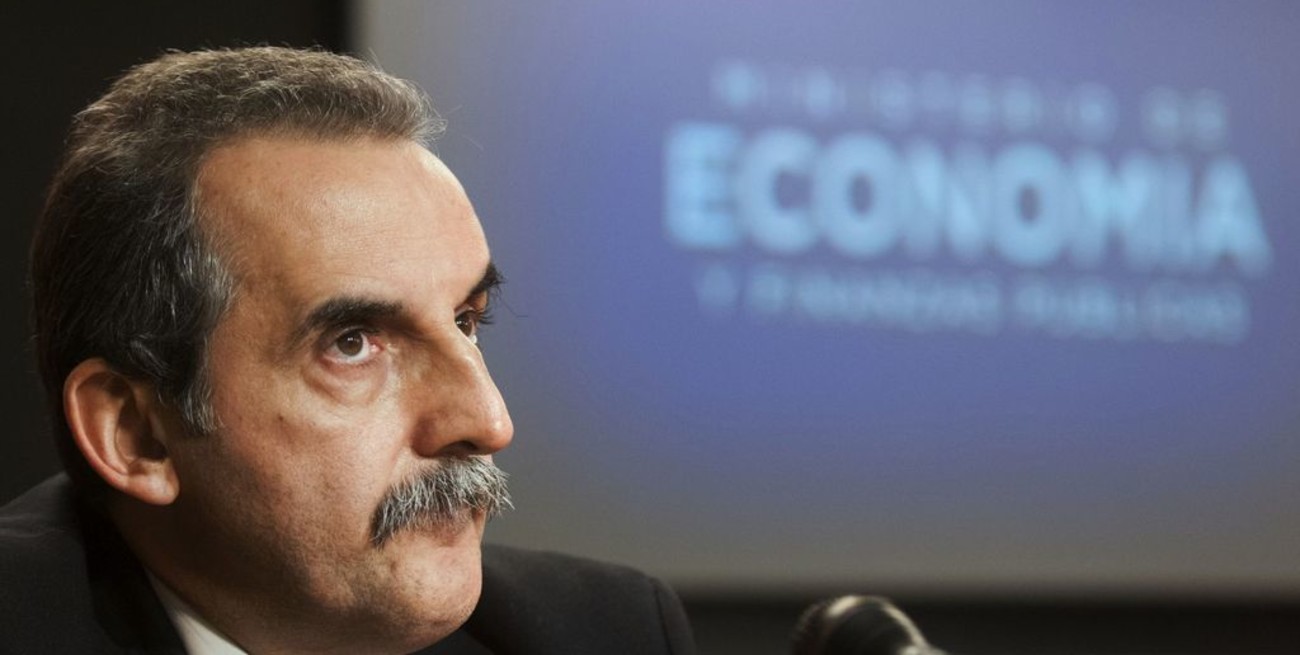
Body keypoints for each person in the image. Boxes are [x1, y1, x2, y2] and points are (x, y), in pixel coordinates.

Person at [0, 46, 695, 654]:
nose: (488, 421)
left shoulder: (601, 632)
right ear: (135, 433)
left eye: (465, 320)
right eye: (353, 343)